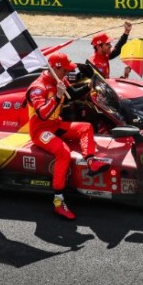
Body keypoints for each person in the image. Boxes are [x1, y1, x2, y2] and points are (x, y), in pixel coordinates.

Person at [26, 52, 110, 220]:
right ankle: (58, 201)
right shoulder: (37, 88)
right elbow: (43, 114)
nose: (67, 73)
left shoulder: (59, 80)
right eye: (64, 70)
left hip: (55, 124)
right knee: (63, 152)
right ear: (55, 68)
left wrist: (90, 85)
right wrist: (57, 96)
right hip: (40, 131)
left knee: (85, 127)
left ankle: (91, 162)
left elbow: (72, 94)